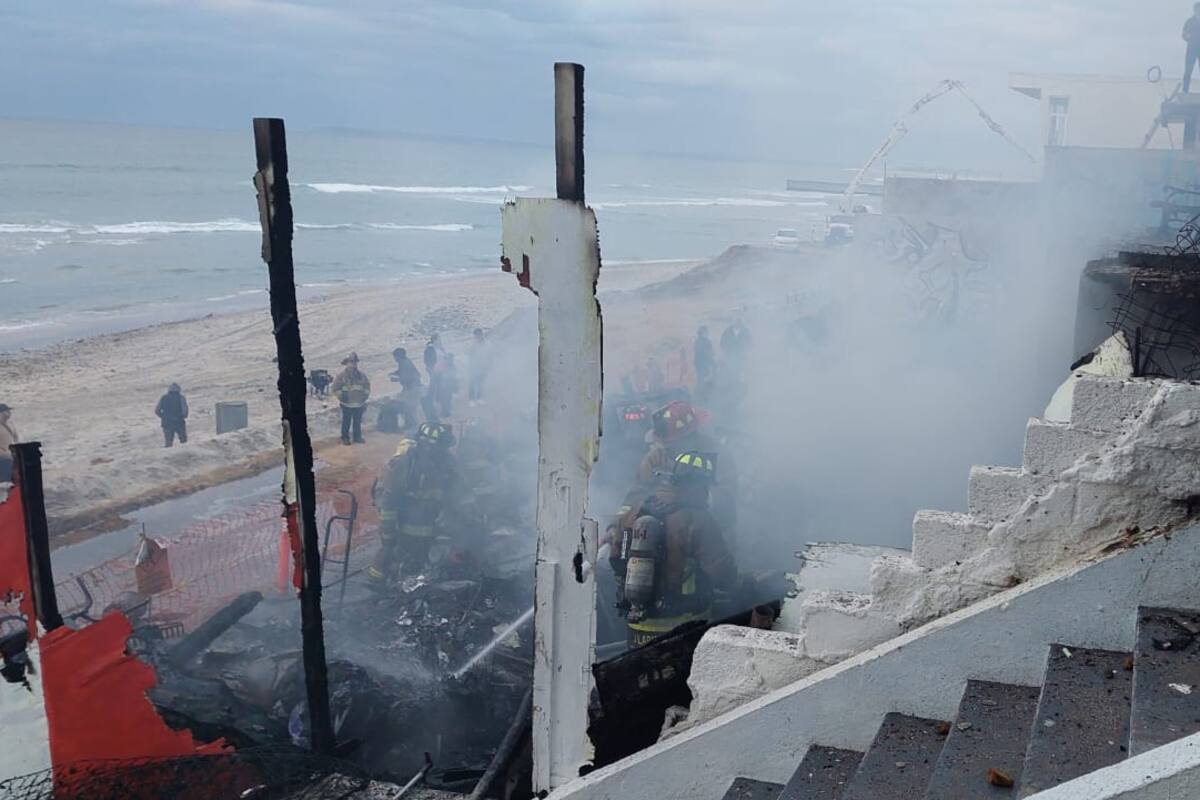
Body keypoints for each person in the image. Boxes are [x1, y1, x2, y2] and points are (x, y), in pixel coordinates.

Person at [609, 451, 736, 646]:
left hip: (638, 626)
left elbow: (615, 558)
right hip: (684, 627)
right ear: (700, 485)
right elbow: (723, 574)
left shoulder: (637, 510)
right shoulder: (698, 520)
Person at [369, 422, 459, 583]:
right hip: (405, 526)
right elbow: (389, 502)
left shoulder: (446, 462)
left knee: (417, 562)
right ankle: (378, 587)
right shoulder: (406, 463)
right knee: (391, 556)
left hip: (428, 526)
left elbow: (452, 492)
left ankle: (405, 582)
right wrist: (388, 534)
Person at [332, 352, 371, 445]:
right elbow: (335, 388)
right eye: (351, 362)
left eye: (354, 362)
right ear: (346, 363)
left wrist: (365, 397)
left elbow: (367, 387)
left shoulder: (362, 375)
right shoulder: (341, 376)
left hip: (359, 403)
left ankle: (357, 437)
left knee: (357, 422)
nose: (353, 364)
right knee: (346, 421)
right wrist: (341, 396)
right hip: (346, 404)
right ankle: (345, 438)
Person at [388, 347, 424, 431]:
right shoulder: (404, 362)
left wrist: (395, 379)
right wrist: (395, 373)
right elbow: (402, 372)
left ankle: (414, 427)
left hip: (412, 388)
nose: (395, 359)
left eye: (395, 357)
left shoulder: (404, 363)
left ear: (398, 356)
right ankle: (410, 425)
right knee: (408, 406)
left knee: (410, 407)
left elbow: (406, 378)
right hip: (411, 388)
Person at [154, 383, 189, 448]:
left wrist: (163, 417)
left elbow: (157, 411)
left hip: (167, 423)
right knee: (184, 442)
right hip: (179, 422)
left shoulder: (163, 398)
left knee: (168, 443)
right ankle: (184, 455)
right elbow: (185, 412)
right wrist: (182, 417)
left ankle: (167, 456)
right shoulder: (181, 398)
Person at [467, 328, 490, 405]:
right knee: (472, 382)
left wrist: (488, 364)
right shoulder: (472, 343)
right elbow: (469, 353)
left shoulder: (487, 343)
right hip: (473, 366)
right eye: (476, 335)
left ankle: (479, 398)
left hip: (483, 366)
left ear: (481, 335)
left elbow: (489, 353)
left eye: (479, 335)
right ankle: (471, 399)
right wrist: (474, 345)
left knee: (481, 382)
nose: (478, 336)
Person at [437, 353, 460, 418]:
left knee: (447, 399)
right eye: (447, 359)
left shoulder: (452, 365)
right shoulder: (442, 365)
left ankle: (447, 411)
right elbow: (438, 375)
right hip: (443, 386)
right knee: (444, 400)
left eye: (450, 359)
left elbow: (454, 376)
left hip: (448, 386)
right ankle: (445, 412)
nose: (449, 360)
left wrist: (455, 387)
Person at [0, 404, 17, 483]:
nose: (9, 413)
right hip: (2, 458)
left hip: (11, 457)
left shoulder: (11, 425)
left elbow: (16, 439)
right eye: (6, 411)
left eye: (9, 411)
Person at [1187, 3, 1200, 93]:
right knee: (1188, 70)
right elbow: (1183, 33)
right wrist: (1187, 36)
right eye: (1197, 9)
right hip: (1191, 49)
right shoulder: (1190, 21)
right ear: (1194, 10)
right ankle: (1185, 91)